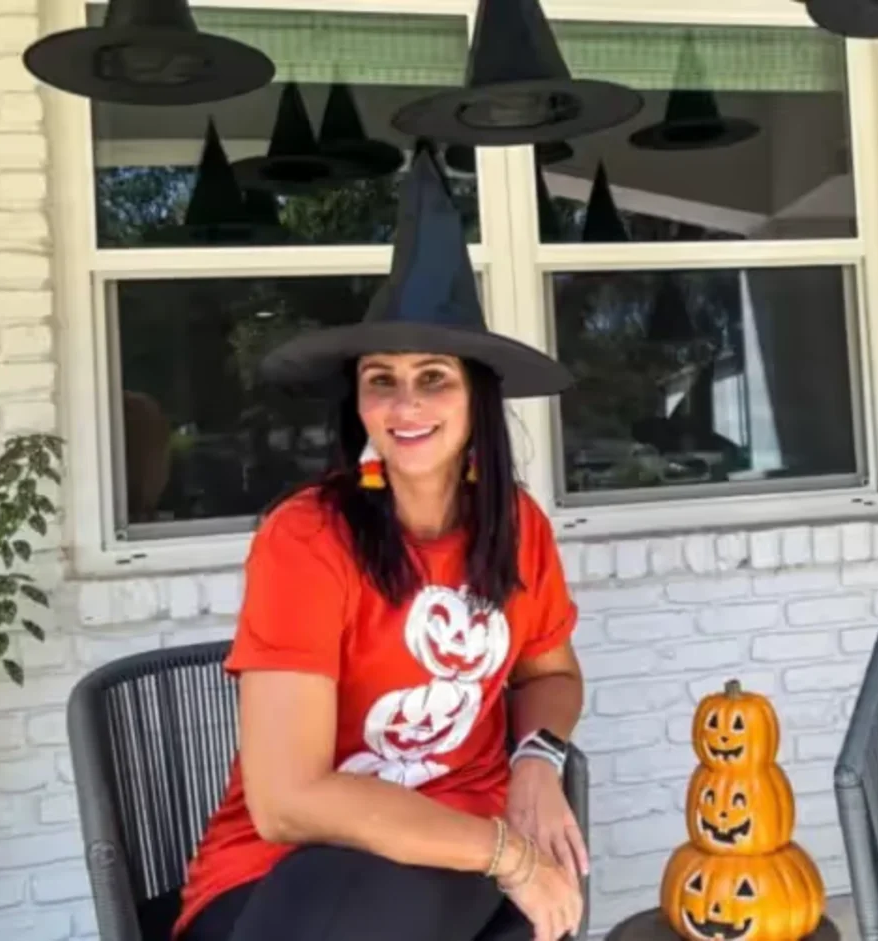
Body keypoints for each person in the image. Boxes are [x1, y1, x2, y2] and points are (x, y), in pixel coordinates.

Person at [172, 142, 587, 941]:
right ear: (357, 403)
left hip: (453, 849)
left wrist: (537, 757)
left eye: (433, 375)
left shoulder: (517, 527)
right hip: (280, 872)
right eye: (380, 379)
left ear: (475, 399)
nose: (405, 403)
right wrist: (508, 853)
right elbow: (288, 800)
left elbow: (554, 672)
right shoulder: (308, 537)